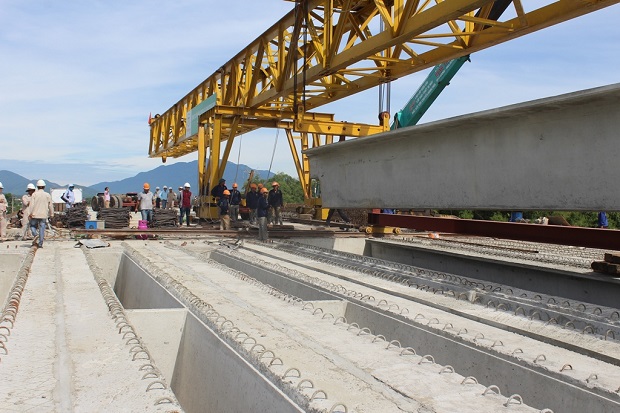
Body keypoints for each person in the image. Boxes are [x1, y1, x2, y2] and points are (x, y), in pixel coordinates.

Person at [28, 180, 54, 248]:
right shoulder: (47, 195)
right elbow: (50, 205)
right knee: (42, 229)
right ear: (44, 187)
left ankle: (35, 234)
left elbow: (31, 205)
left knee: (32, 226)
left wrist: (30, 213)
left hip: (35, 214)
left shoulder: (34, 194)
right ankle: (40, 243)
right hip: (43, 215)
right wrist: (52, 214)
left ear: (37, 186)